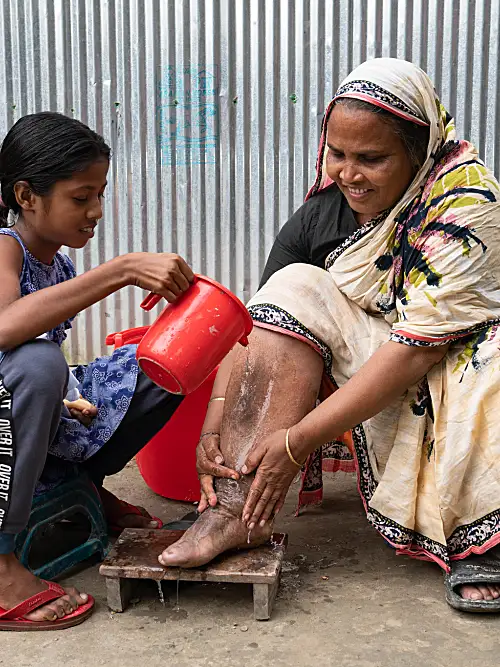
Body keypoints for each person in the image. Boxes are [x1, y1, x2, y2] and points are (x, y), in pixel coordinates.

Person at [159, 58, 500, 613]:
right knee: (293, 283)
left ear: (420, 152)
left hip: (458, 356)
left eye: (372, 159)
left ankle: (484, 538)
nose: (348, 174)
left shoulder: (465, 205)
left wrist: (298, 442)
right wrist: (215, 423)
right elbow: (257, 319)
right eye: (337, 154)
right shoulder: (322, 212)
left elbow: (416, 353)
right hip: (379, 358)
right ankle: (233, 509)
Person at [0, 112, 194, 629]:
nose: (97, 211)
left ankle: (77, 482)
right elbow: (4, 331)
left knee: (166, 358)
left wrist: (69, 389)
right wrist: (120, 270)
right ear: (26, 196)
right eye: (81, 198)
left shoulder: (56, 262)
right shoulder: (3, 246)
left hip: (29, 401)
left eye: (100, 194)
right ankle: (0, 564)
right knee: (39, 367)